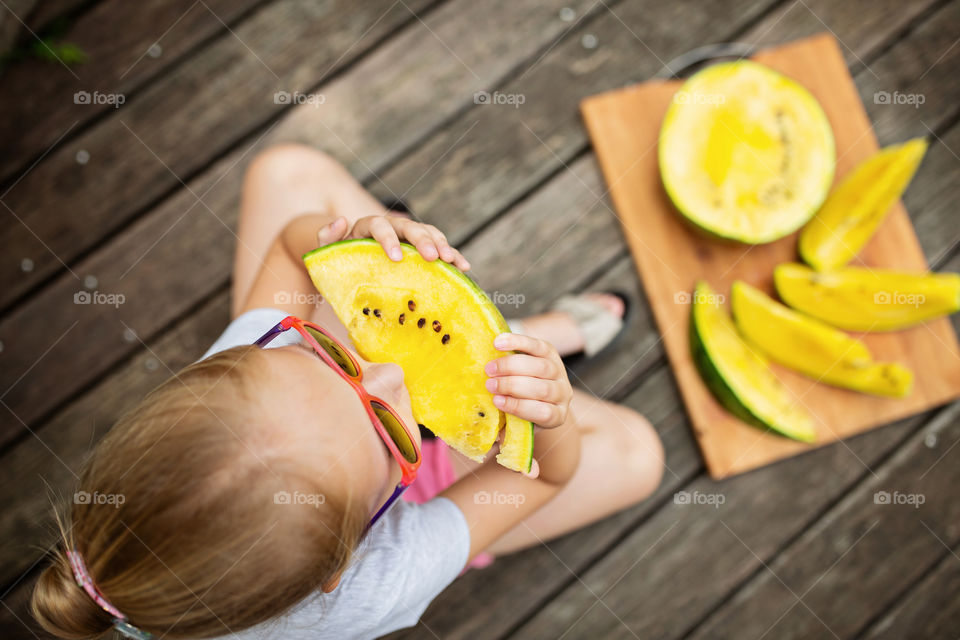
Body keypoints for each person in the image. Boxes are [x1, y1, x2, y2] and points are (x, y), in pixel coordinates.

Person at [31, 144, 664, 640]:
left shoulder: (242, 376)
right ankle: (507, 345)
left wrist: (349, 241)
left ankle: (458, 355)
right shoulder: (375, 585)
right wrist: (545, 415)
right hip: (433, 489)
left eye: (330, 358)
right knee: (639, 457)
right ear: (347, 556)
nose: (394, 378)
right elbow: (544, 479)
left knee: (288, 169)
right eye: (391, 432)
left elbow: (286, 246)